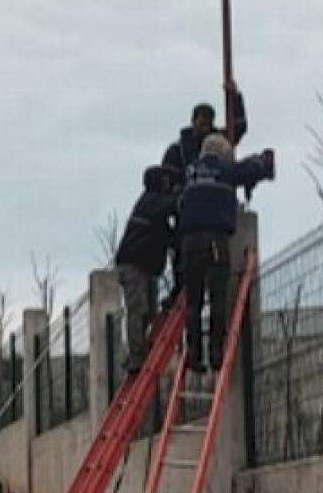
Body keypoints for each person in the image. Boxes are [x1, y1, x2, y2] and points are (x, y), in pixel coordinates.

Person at [175, 134, 273, 373]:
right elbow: (249, 170)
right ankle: (216, 352)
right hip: (215, 242)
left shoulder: (190, 173)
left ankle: (194, 354)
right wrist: (263, 161)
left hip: (188, 244)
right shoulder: (224, 170)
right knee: (218, 296)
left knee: (194, 302)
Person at [113, 165, 179, 374]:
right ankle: (136, 356)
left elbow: (170, 238)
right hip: (133, 266)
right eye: (166, 181)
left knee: (148, 312)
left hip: (144, 267)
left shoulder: (152, 208)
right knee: (137, 310)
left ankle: (138, 351)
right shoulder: (151, 202)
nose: (168, 185)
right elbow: (174, 205)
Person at [161, 86, 248, 177]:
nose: (205, 128)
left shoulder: (220, 142)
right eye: (202, 123)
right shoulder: (178, 150)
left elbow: (239, 126)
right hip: (190, 189)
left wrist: (234, 97)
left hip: (218, 188)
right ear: (193, 121)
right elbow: (167, 177)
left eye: (208, 123)